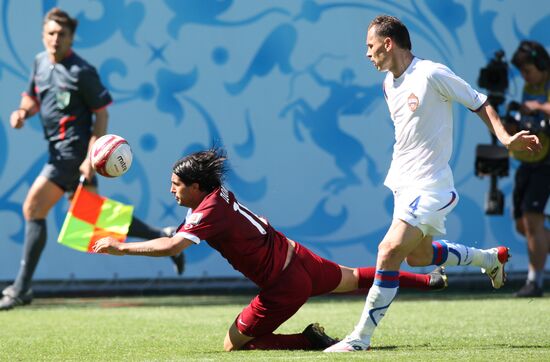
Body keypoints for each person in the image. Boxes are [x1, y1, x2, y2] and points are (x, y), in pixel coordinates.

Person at [324, 15, 542, 352]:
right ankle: (489, 260)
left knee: (388, 251)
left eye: (370, 46)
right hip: (403, 184)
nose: (366, 54)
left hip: (432, 187)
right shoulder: (387, 84)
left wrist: (505, 137)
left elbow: (478, 100)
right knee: (418, 256)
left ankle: (359, 338)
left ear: (388, 43)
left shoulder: (431, 73)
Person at [93, 148, 449, 351]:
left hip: (284, 285)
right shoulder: (218, 197)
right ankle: (427, 281)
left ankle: (307, 340)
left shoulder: (207, 210)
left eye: (176, 185)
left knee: (234, 345)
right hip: (299, 256)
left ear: (197, 186)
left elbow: (173, 247)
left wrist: (121, 248)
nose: (171, 191)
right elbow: (215, 226)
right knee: (357, 278)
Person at [0, 8, 184, 311]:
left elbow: (102, 113)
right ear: (43, 35)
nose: (55, 39)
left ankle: (20, 289)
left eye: (62, 34)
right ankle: (164, 237)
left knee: (33, 208)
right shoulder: (40, 62)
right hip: (58, 151)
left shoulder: (81, 71)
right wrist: (23, 112)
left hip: (73, 154)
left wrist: (90, 155)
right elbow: (32, 96)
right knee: (93, 222)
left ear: (71, 38)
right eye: (51, 33)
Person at [509, 40, 550, 298]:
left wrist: (536, 107)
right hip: (529, 159)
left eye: (528, 70)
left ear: (543, 64)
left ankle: (534, 282)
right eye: (521, 72)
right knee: (522, 224)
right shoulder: (528, 87)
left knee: (533, 220)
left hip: (547, 162)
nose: (524, 76)